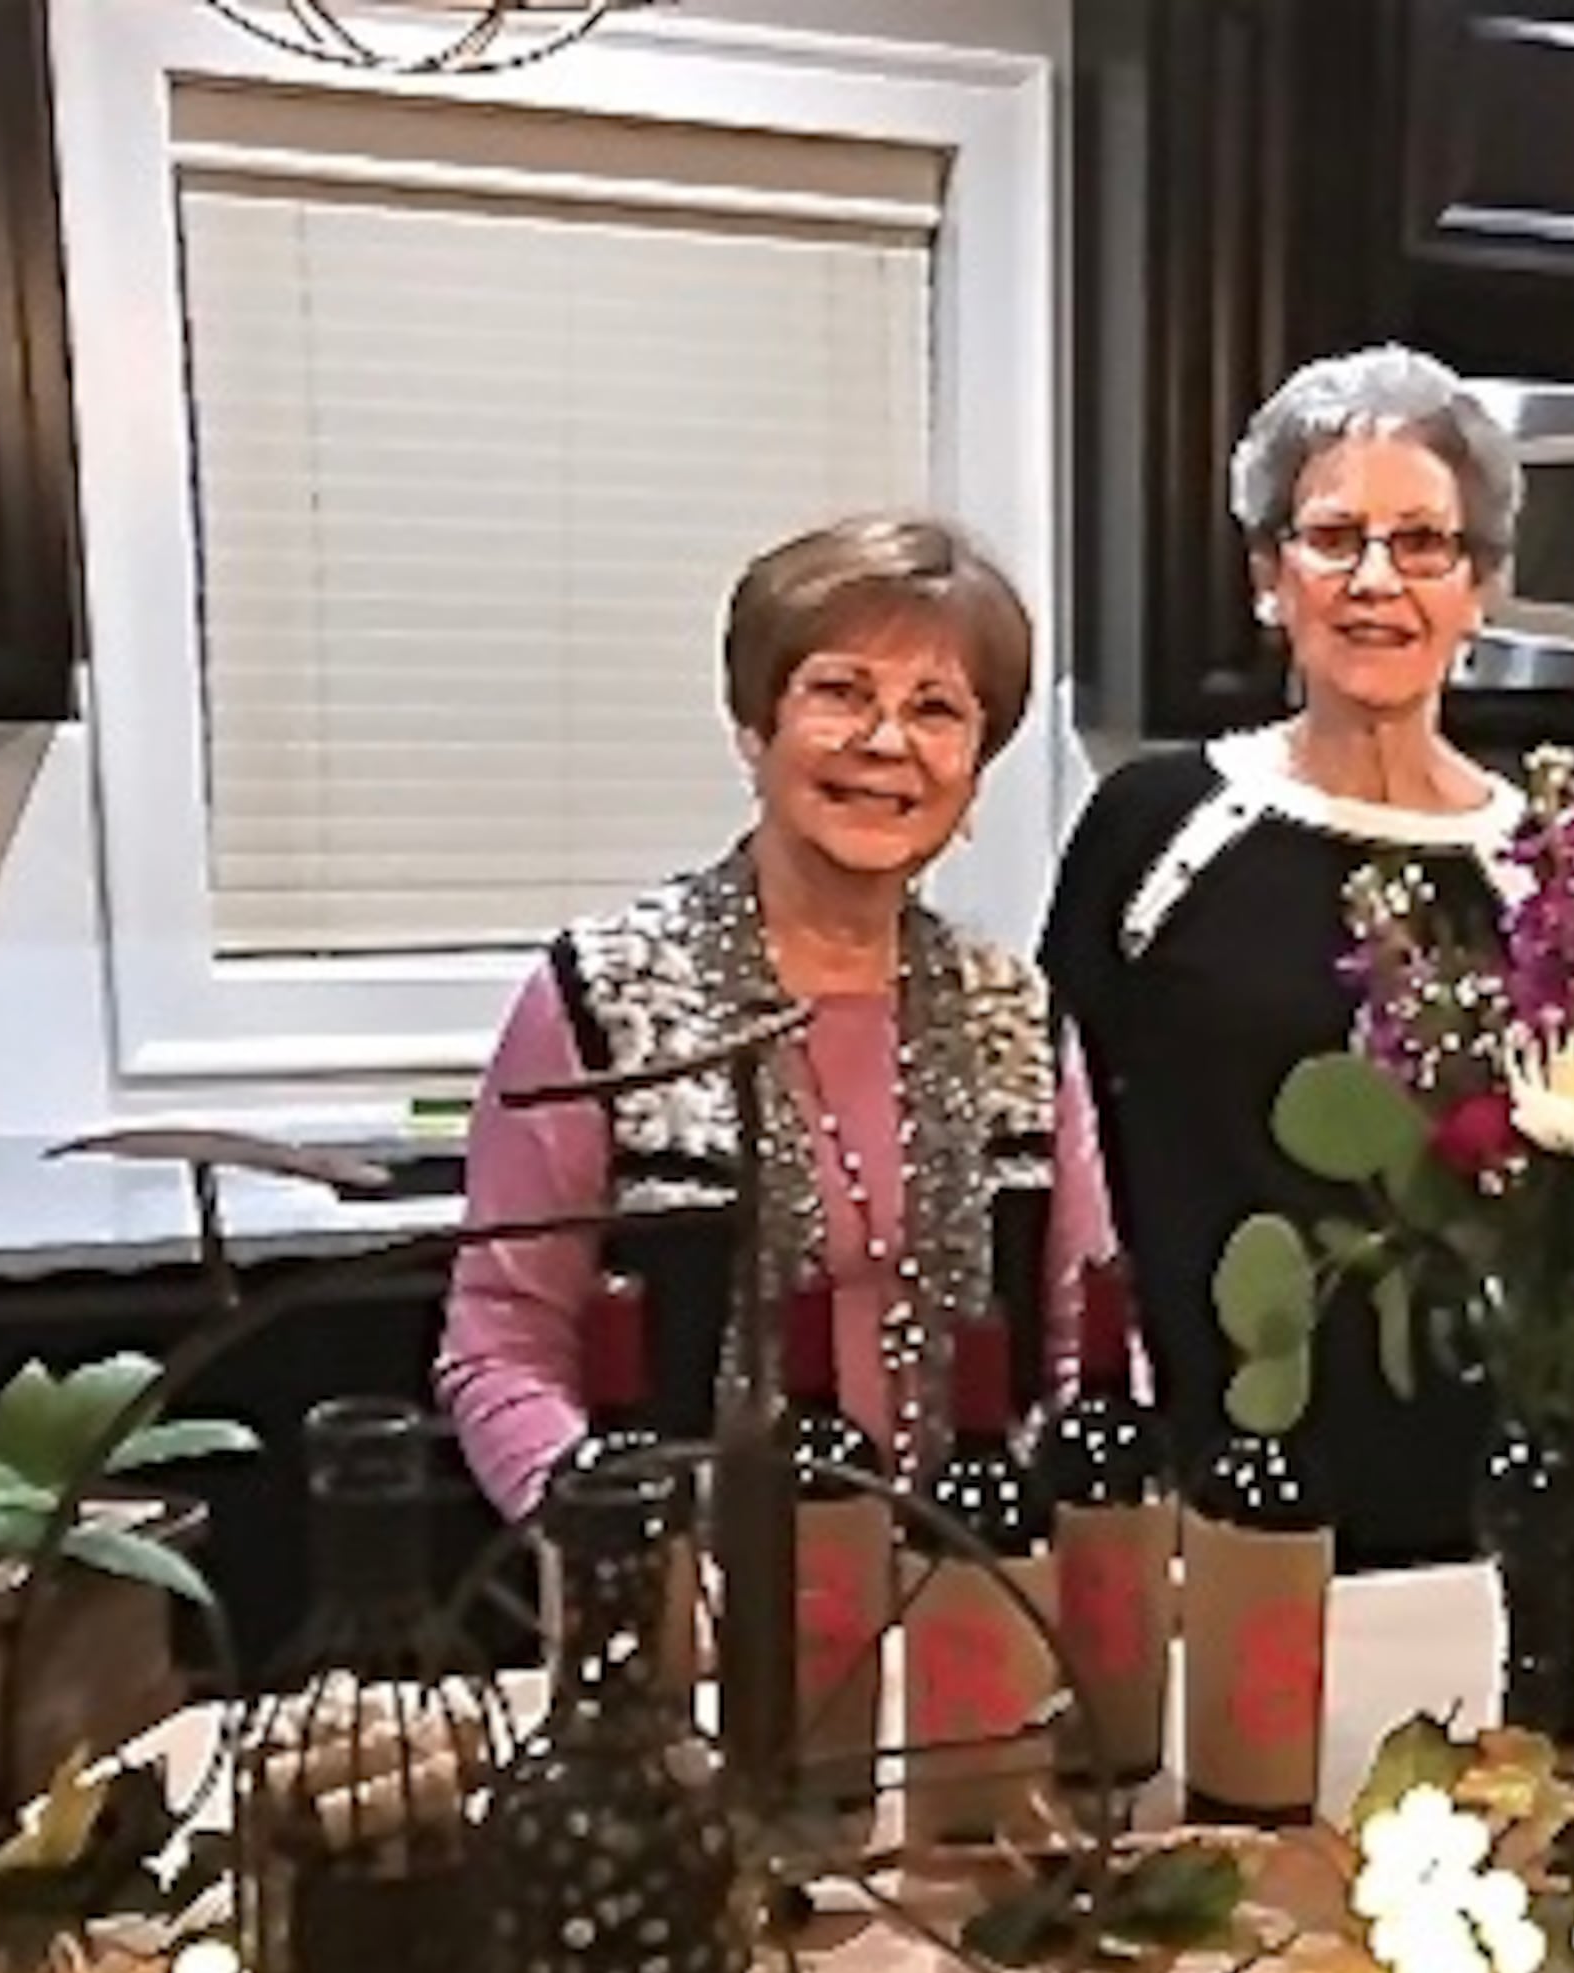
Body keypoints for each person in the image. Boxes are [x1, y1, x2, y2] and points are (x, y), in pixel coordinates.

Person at [439, 514, 1114, 1519]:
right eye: (840, 692)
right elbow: (501, 1347)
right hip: (693, 1604)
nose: (886, 742)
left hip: (973, 1604)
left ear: (975, 766)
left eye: (936, 709)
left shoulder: (1013, 1012)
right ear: (756, 727)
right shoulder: (604, 994)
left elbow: (1084, 1338)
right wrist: (618, 1558)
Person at [1041, 345, 1527, 1567]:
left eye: (1424, 543)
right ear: (1270, 578)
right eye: (1333, 537)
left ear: (1483, 589)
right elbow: (1054, 1147)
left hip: (1466, 1486)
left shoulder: (1550, 875)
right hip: (1186, 1459)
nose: (1377, 581)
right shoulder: (1154, 824)